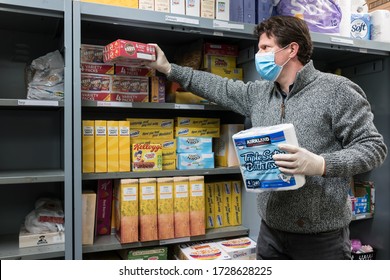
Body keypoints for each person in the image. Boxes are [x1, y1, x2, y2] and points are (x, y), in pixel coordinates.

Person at [146, 15, 387, 260]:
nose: (259, 54)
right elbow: (218, 86)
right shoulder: (259, 93)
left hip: (322, 239)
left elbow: (373, 148)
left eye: (265, 48)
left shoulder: (336, 90)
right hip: (270, 233)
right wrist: (168, 68)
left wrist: (321, 164)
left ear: (292, 49)